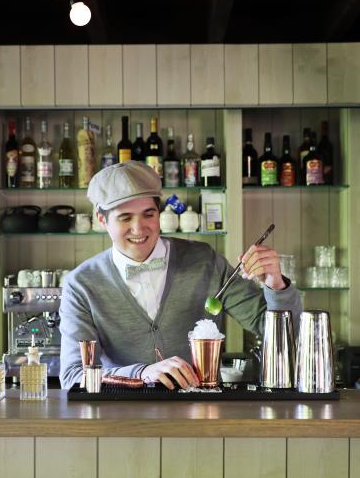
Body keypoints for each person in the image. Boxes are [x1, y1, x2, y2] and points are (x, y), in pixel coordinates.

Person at [59, 161, 302, 390]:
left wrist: (276, 284)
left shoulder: (204, 260)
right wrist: (142, 373)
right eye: (125, 218)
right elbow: (72, 375)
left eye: (148, 214)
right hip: (122, 419)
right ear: (102, 220)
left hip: (201, 414)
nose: (139, 228)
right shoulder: (81, 284)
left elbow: (282, 332)